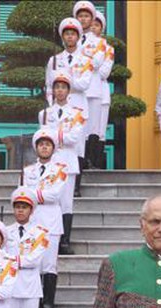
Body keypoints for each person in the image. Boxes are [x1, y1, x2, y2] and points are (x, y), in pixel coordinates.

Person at [5, 187, 49, 308]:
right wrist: (17, 261)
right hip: (11, 287)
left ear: (31, 210)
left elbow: (34, 260)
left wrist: (13, 260)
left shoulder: (40, 233)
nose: (20, 211)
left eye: (24, 207)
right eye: (17, 207)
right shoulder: (5, 232)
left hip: (31, 287)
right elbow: (1, 258)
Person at [24, 128, 69, 308]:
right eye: (41, 144)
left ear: (53, 148)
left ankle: (49, 303)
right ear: (36, 148)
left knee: (49, 264)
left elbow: (55, 194)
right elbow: (23, 195)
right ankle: (37, 301)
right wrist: (36, 196)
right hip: (32, 221)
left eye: (48, 144)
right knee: (34, 263)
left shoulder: (60, 170)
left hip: (51, 221)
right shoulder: (27, 171)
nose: (44, 147)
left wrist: (34, 195)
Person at [45, 17, 91, 197]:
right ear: (62, 38)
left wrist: (65, 77)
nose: (70, 37)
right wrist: (52, 105)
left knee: (77, 146)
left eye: (73, 34)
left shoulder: (85, 60)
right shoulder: (54, 61)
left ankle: (76, 186)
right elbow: (49, 86)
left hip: (78, 107)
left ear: (78, 37)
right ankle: (58, 181)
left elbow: (84, 84)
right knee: (57, 145)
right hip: (57, 109)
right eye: (67, 34)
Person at [41, 71, 86, 256]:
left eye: (63, 87)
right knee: (52, 202)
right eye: (56, 87)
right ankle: (50, 239)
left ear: (69, 91)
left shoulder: (77, 114)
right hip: (51, 163)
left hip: (68, 162)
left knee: (66, 204)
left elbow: (74, 138)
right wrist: (60, 136)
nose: (59, 91)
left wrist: (54, 135)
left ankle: (65, 241)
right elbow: (42, 138)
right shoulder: (44, 114)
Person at [73, 1, 105, 169]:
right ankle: (79, 160)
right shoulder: (71, 38)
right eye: (80, 16)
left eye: (86, 16)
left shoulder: (100, 43)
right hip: (76, 90)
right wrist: (87, 59)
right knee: (78, 126)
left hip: (93, 88)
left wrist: (81, 59)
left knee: (92, 127)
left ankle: (88, 160)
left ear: (92, 18)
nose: (83, 19)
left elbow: (98, 63)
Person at [90, 10, 114, 169]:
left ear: (102, 28)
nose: (93, 28)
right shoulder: (79, 44)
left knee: (99, 130)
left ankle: (96, 161)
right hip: (85, 92)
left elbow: (104, 72)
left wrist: (87, 65)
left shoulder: (108, 48)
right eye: (91, 24)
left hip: (101, 92)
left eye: (96, 25)